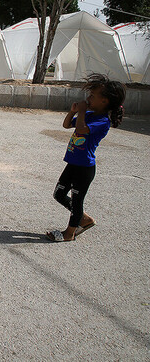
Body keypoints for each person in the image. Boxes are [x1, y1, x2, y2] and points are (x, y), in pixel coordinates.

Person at [47, 73, 126, 242]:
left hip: (85, 168)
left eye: (92, 96)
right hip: (73, 164)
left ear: (104, 101)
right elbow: (67, 124)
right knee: (59, 194)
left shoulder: (102, 121)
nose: (88, 98)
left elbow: (82, 130)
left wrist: (82, 111)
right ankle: (84, 219)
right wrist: (73, 111)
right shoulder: (88, 115)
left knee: (77, 201)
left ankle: (69, 233)